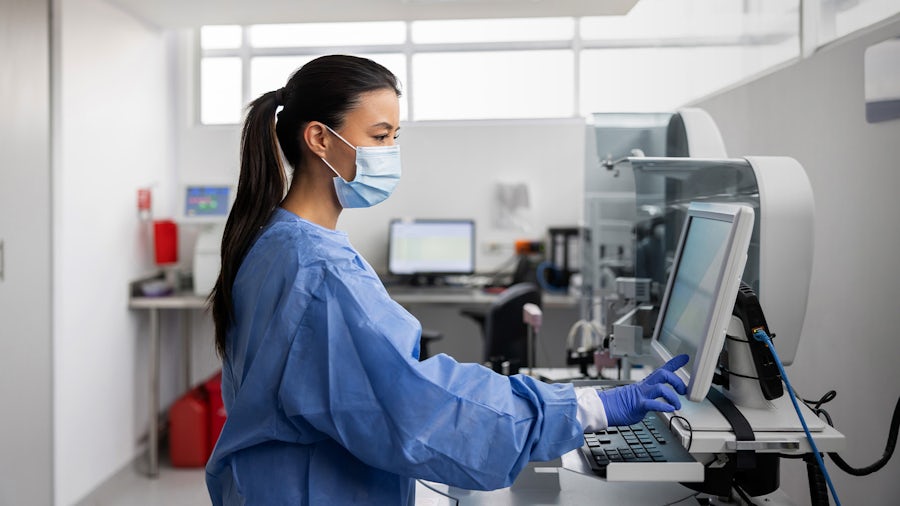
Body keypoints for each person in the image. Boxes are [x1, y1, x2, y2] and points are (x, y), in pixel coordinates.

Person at [205, 54, 689, 505]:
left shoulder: (274, 240)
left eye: (396, 136)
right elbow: (413, 407)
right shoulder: (317, 267)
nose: (391, 152)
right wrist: (586, 409)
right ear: (320, 139)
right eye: (378, 137)